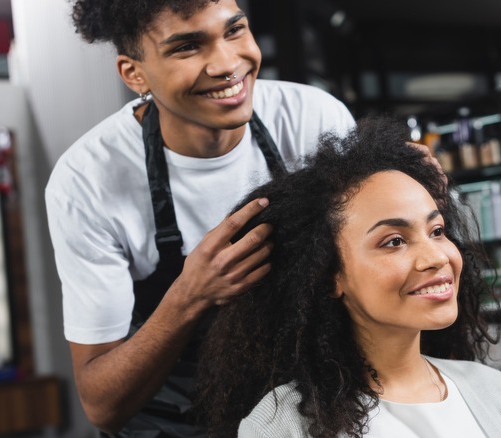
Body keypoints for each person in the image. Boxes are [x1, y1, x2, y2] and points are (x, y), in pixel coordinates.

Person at [44, 0, 355, 436]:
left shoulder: (313, 120)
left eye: (234, 31)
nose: (228, 64)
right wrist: (189, 297)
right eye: (188, 47)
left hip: (297, 413)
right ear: (135, 73)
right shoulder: (88, 181)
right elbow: (102, 404)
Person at [195, 117, 501, 438]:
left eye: (437, 230)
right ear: (329, 276)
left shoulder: (496, 392)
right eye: (394, 241)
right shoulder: (283, 423)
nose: (437, 257)